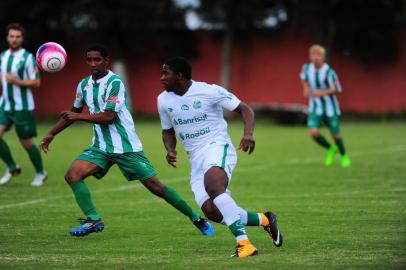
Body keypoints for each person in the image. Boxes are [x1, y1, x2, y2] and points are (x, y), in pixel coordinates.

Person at [39, 45, 214, 237]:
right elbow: (73, 112)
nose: (93, 64)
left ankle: (196, 218)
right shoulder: (83, 85)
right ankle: (93, 219)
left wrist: (77, 117)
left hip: (126, 147)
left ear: (106, 61)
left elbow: (108, 117)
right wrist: (51, 134)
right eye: (89, 60)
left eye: (97, 59)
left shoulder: (115, 83)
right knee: (72, 175)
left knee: (157, 188)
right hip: (100, 147)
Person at [157, 56, 283, 258]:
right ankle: (265, 220)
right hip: (195, 158)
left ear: (179, 76)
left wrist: (248, 134)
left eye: (166, 73)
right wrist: (170, 149)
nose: (161, 78)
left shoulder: (209, 91)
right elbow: (167, 131)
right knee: (212, 211)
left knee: (214, 187)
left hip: (217, 146)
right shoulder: (163, 99)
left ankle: (245, 245)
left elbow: (245, 108)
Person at [0, 23, 47, 186]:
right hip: (5, 105)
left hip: (23, 107)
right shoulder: (2, 56)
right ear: (7, 38)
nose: (14, 39)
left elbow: (36, 82)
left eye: (17, 37)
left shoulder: (28, 58)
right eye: (11, 36)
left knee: (26, 142)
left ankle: (41, 173)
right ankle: (13, 167)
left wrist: (16, 81)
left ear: (22, 39)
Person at [300, 44, 351, 168]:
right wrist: (305, 89)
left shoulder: (329, 72)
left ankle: (344, 155)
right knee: (313, 133)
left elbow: (338, 88)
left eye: (318, 55)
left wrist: (321, 93)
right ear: (310, 56)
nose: (315, 57)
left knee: (335, 135)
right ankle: (330, 149)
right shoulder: (307, 68)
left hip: (330, 108)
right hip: (315, 107)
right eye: (313, 55)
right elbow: (303, 78)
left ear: (323, 57)